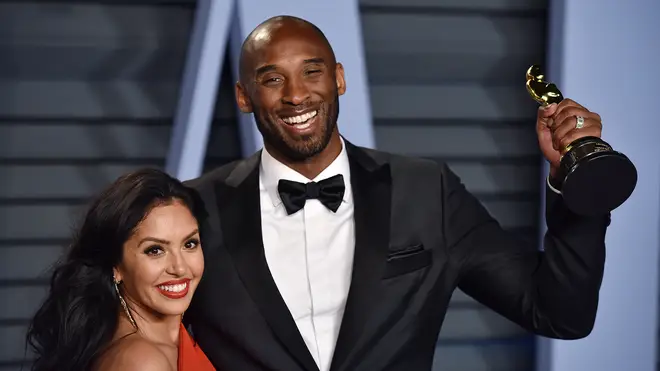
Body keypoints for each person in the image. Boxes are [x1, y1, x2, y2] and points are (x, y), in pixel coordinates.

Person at [183, 15, 609, 371]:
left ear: (339, 78)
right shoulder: (194, 208)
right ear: (243, 96)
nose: (296, 95)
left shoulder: (427, 191)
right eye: (273, 78)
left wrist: (576, 182)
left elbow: (560, 313)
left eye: (312, 71)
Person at [26, 169, 215, 371]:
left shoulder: (172, 339)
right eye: (155, 250)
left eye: (190, 244)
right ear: (115, 266)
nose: (180, 267)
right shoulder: (142, 362)